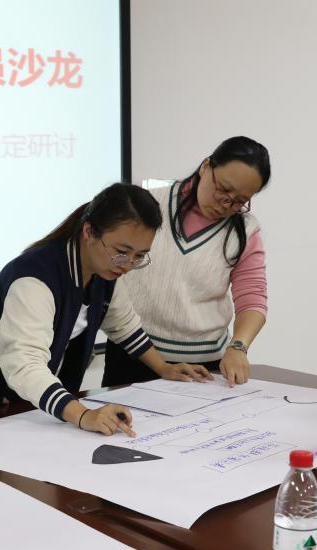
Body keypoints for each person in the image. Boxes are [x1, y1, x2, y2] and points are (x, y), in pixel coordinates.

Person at [0, 183, 211, 437]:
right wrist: (83, 415)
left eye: (139, 256)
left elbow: (123, 324)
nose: (128, 265)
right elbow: (24, 365)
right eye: (121, 252)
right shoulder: (36, 278)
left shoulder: (104, 271)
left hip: (36, 405)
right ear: (88, 231)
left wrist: (164, 368)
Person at [102, 136, 272, 387]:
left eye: (239, 201)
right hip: (132, 355)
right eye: (223, 190)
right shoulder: (147, 205)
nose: (226, 204)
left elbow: (252, 297)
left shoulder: (244, 231)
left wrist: (238, 346)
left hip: (204, 367)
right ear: (206, 166)